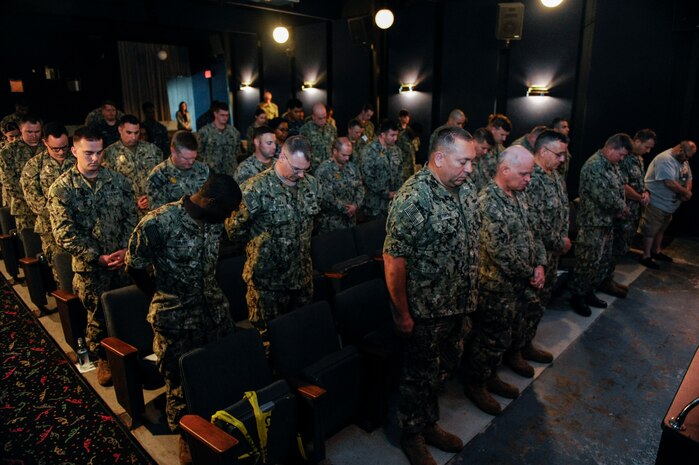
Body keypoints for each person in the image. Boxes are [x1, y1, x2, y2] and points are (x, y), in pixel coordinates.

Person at [126, 173, 242, 465]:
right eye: (227, 212)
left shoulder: (213, 221)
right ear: (212, 202)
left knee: (217, 367)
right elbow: (134, 265)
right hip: (174, 315)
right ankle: (185, 434)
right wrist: (160, 293)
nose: (228, 218)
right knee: (177, 378)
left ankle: (219, 420)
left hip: (212, 308)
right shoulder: (159, 222)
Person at [383, 126, 479, 465]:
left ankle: (429, 423)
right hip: (427, 310)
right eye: (463, 161)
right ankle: (411, 435)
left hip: (457, 304)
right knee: (417, 376)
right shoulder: (414, 197)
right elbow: (394, 259)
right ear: (439, 158)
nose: (470, 169)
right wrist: (401, 314)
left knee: (441, 370)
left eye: (472, 162)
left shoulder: (464, 189)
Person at [48, 126, 138, 386]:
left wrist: (124, 249)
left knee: (127, 310)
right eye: (88, 153)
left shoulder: (118, 181)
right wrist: (97, 257)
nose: (95, 159)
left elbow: (131, 216)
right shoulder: (62, 189)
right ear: (74, 151)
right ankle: (103, 358)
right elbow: (64, 233)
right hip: (90, 268)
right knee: (97, 316)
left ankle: (130, 354)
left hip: (121, 262)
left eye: (99, 153)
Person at [463, 145, 545, 416]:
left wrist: (540, 264)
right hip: (496, 287)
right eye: (524, 174)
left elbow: (534, 231)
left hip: (520, 281)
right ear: (504, 169)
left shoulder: (519, 194)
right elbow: (500, 252)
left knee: (505, 335)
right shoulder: (487, 201)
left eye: (529, 174)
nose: (528, 179)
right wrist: (529, 271)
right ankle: (475, 383)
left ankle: (491, 375)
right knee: (490, 338)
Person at [225, 136, 319, 338]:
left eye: (306, 169)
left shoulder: (311, 185)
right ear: (282, 157)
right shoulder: (254, 189)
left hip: (301, 278)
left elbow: (313, 223)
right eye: (296, 169)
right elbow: (234, 230)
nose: (302, 175)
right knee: (269, 341)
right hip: (267, 283)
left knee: (301, 335)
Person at [568, 134, 632, 317]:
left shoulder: (612, 165)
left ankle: (589, 292)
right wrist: (622, 208)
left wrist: (620, 207)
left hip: (606, 222)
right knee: (587, 262)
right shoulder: (594, 166)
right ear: (611, 148)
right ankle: (577, 296)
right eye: (620, 154)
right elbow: (604, 196)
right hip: (592, 223)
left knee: (600, 261)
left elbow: (619, 188)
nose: (622, 159)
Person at [522, 130, 571, 363]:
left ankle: (526, 343)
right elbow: (534, 222)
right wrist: (559, 241)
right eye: (559, 154)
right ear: (543, 151)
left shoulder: (554, 175)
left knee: (541, 302)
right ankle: (516, 349)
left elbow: (561, 210)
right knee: (529, 304)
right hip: (536, 255)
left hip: (552, 254)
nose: (563, 160)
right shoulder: (531, 178)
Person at [601, 129, 656, 295]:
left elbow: (639, 182)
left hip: (633, 212)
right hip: (622, 212)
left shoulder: (638, 159)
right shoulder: (623, 159)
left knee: (620, 248)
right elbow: (623, 186)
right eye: (647, 147)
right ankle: (604, 281)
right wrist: (640, 197)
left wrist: (645, 192)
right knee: (613, 249)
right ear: (637, 141)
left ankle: (608, 279)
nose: (648, 151)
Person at [20, 122, 75, 282]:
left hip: (80, 225)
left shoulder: (77, 160)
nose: (61, 152)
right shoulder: (33, 166)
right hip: (51, 228)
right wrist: (62, 216)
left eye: (64, 147)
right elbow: (34, 200)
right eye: (55, 148)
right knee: (62, 272)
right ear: (45, 143)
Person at [639, 140, 696, 268]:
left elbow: (689, 178)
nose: (687, 159)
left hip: (669, 205)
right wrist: (686, 193)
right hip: (656, 202)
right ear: (680, 149)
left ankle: (656, 251)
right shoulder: (665, 159)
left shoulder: (683, 160)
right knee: (650, 230)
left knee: (661, 229)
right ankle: (646, 256)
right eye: (687, 155)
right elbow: (668, 182)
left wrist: (687, 191)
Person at [102, 115, 163, 213]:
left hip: (153, 209)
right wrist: (132, 201)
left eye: (136, 132)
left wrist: (151, 197)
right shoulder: (109, 154)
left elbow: (162, 178)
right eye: (129, 133)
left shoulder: (152, 150)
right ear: (120, 130)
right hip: (126, 212)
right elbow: (108, 187)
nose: (133, 137)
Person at [146, 130, 210, 210]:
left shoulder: (203, 169)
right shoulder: (158, 175)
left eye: (194, 158)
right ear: (173, 151)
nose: (191, 162)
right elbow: (157, 213)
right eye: (186, 158)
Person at [0, 115, 42, 231]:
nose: (34, 136)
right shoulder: (8, 151)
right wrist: (34, 199)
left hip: (48, 207)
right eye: (29, 132)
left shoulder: (47, 147)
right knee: (29, 244)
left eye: (37, 132)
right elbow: (9, 183)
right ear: (20, 129)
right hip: (24, 208)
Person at [315, 137, 365, 234]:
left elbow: (360, 187)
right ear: (335, 151)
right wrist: (345, 209)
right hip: (331, 223)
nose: (347, 158)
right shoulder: (324, 170)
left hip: (350, 220)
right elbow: (325, 196)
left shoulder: (352, 167)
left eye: (349, 155)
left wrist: (355, 205)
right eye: (344, 155)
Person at [360, 119, 403, 221]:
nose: (395, 138)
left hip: (393, 204)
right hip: (375, 205)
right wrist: (386, 193)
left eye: (396, 135)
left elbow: (400, 173)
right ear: (383, 135)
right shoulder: (370, 150)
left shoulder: (396, 150)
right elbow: (368, 177)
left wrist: (399, 192)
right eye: (392, 135)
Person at [196, 100, 242, 177]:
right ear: (215, 114)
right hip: (212, 172)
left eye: (227, 115)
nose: (225, 118)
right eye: (222, 115)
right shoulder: (205, 131)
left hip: (230, 172)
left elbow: (237, 151)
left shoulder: (234, 132)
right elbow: (199, 152)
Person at [300, 103, 336, 171]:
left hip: (329, 169)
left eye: (325, 117)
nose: (323, 121)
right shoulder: (305, 130)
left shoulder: (332, 129)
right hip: (313, 170)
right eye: (320, 118)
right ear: (313, 117)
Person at [479, 113, 512, 183]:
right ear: (493, 129)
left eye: (506, 136)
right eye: (502, 135)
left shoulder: (500, 148)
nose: (504, 139)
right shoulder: (479, 143)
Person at [468, 127, 496, 193]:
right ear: (474, 141)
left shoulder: (485, 158)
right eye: (483, 148)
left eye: (488, 149)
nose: (485, 152)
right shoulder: (464, 160)